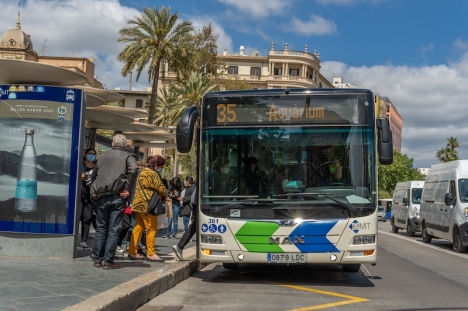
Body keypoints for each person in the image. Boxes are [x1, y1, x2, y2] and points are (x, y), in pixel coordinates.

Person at [90, 134, 138, 270]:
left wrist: (94, 192)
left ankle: (98, 259)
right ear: (125, 145)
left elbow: (94, 175)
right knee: (113, 229)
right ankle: (108, 261)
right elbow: (134, 170)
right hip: (118, 196)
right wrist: (128, 189)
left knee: (101, 228)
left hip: (101, 197)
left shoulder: (102, 157)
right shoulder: (128, 156)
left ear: (112, 144)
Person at [128, 155, 167, 262]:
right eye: (161, 166)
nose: (161, 168)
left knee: (138, 228)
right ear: (155, 164)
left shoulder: (142, 172)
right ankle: (151, 253)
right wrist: (165, 191)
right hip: (148, 206)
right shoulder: (152, 174)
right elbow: (161, 188)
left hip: (138, 205)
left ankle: (132, 251)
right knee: (151, 229)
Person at [172, 180, 197, 261]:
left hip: (196, 210)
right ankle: (179, 246)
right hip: (198, 210)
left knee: (193, 227)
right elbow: (193, 200)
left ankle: (180, 246)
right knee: (192, 227)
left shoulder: (194, 187)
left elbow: (193, 200)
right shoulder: (195, 188)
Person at [80, 148, 97, 251]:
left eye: (93, 154)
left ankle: (84, 241)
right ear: (85, 155)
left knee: (87, 219)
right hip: (79, 196)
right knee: (78, 217)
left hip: (90, 196)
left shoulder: (96, 167)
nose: (92, 156)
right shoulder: (80, 166)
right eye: (90, 154)